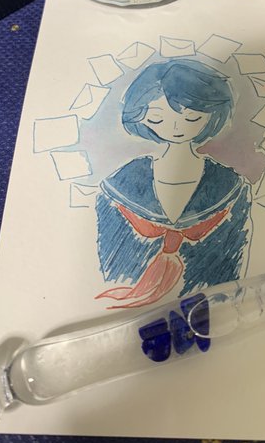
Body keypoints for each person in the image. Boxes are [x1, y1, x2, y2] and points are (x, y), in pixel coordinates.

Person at [95, 58, 253, 308]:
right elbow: (108, 261)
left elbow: (232, 262)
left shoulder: (230, 186)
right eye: (157, 119)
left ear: (212, 115)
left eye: (192, 118)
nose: (177, 127)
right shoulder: (120, 186)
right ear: (140, 118)